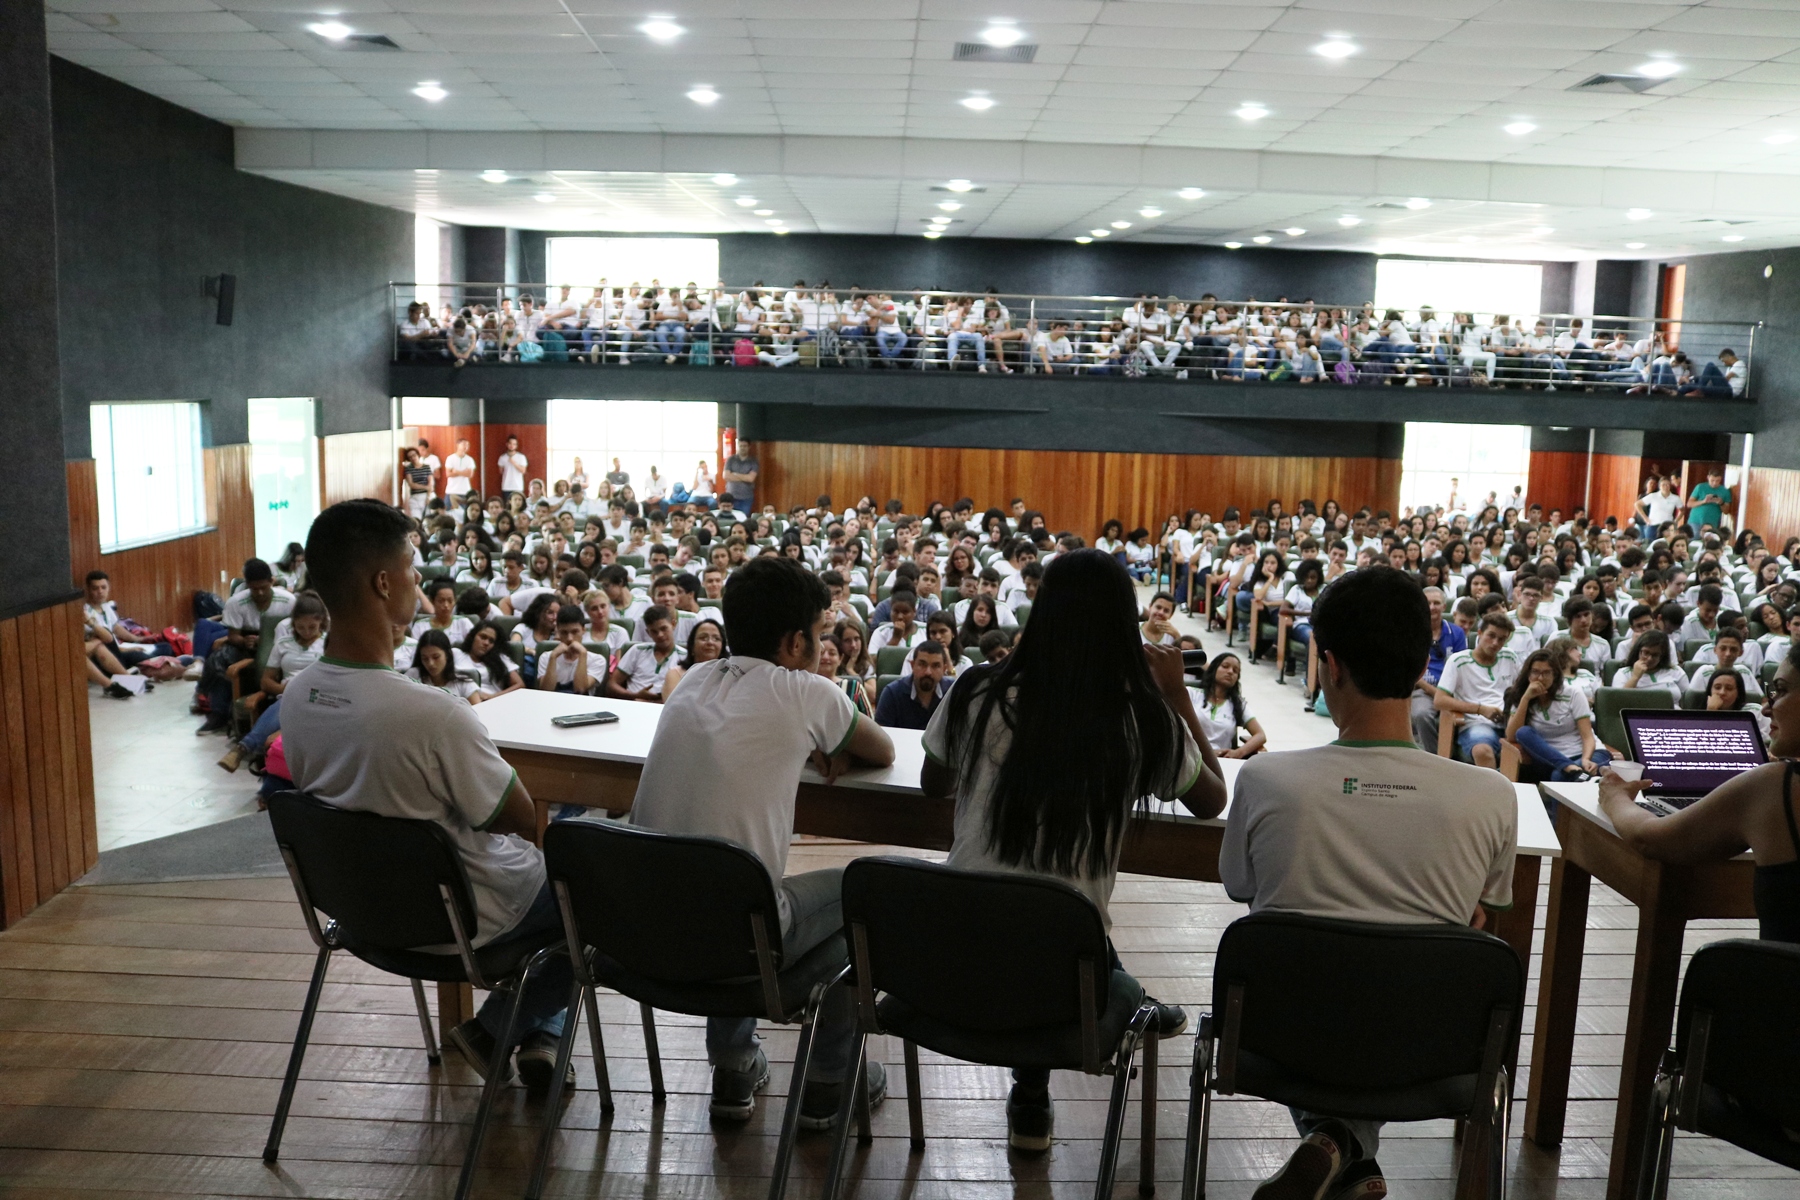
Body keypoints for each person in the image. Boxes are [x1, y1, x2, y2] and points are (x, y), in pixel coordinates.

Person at [1221, 566, 1518, 1200]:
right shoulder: (1492, 796)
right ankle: (1347, 1145)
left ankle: (1335, 1138)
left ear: (1329, 665)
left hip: (1286, 1035)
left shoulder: (1266, 781)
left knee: (1315, 967)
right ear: (1422, 665)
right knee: (1402, 974)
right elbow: (1480, 917)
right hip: (1427, 1044)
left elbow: (1242, 888)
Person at [920, 548, 1227, 1152]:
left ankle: (1035, 1085)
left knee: (1036, 909)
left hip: (953, 956)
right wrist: (1177, 697)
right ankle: (1121, 1002)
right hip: (1063, 982)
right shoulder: (1141, 717)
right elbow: (1211, 800)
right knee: (1064, 924)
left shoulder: (978, 690)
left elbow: (935, 782)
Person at [278, 499, 575, 1093]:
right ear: (384, 583)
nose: (418, 578)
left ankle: (539, 1035)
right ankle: (497, 1029)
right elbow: (522, 820)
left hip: (361, 910)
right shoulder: (434, 714)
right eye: (412, 567)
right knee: (595, 892)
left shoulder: (297, 696)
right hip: (462, 919)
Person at [629, 555, 897, 1126]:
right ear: (797, 642)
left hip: (641, 931)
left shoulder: (693, 679)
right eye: (820, 634)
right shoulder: (807, 692)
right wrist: (830, 739)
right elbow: (883, 750)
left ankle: (734, 1066)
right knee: (861, 898)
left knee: (726, 880)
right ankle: (829, 1081)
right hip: (738, 940)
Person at [1598, 642, 1800, 942]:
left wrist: (1615, 796)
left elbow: (1649, 838)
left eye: (1780, 691)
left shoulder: (1775, 786)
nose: (1767, 707)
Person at [197, 559, 295, 734]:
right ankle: (218, 712)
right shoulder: (236, 602)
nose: (260, 593)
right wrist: (244, 641)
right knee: (218, 659)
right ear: (247, 585)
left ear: (271, 581)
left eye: (264, 587)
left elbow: (296, 630)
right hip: (247, 647)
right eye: (254, 589)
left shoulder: (288, 601)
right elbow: (233, 636)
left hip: (280, 646)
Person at [1503, 648, 1609, 781]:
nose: (1540, 678)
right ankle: (1570, 768)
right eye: (1535, 672)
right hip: (1551, 757)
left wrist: (1586, 759)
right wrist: (1526, 698)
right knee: (1523, 732)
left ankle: (1573, 770)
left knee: (1558, 776)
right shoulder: (1521, 695)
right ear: (1528, 674)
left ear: (1555, 675)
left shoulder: (1572, 693)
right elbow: (1512, 735)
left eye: (1546, 673)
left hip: (1585, 753)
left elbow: (1588, 736)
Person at [1433, 610, 1519, 769]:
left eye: (1501, 639)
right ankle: (1494, 786)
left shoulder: (1510, 657)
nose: (1495, 643)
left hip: (1510, 723)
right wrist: (1480, 709)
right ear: (1479, 633)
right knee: (1482, 751)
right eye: (1491, 636)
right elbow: (1439, 700)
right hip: (1477, 723)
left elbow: (1519, 691)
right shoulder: (1458, 661)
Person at [1410, 585, 1468, 752]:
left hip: (1452, 690)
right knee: (1421, 714)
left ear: (1444, 606)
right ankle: (1433, 758)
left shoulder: (1456, 633)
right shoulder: (1412, 632)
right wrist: (1434, 691)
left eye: (1436, 603)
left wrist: (1445, 694)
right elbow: (1411, 672)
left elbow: (1463, 667)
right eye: (1428, 603)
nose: (1432, 607)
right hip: (1421, 689)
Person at [1195, 653, 1267, 757]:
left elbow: (1260, 735)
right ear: (1214, 669)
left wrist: (1238, 752)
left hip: (1221, 759)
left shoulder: (1238, 704)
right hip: (1192, 755)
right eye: (1225, 666)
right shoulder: (1192, 694)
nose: (1230, 672)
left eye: (1235, 671)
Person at [874, 640, 951, 729]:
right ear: (912, 665)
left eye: (935, 666)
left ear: (944, 669)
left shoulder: (953, 692)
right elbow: (880, 733)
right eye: (922, 665)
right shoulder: (892, 693)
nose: (928, 672)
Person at [536, 606, 603, 695]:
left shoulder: (597, 660)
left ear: (583, 630)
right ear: (558, 631)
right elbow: (545, 692)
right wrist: (553, 657)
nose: (569, 638)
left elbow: (580, 690)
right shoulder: (546, 657)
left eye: (575, 632)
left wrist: (583, 654)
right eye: (564, 632)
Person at [1610, 629, 1686, 701]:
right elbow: (1618, 701)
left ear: (1662, 656)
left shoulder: (1676, 671)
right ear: (1638, 651)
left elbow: (1687, 700)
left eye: (1655, 655)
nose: (1649, 659)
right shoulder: (1624, 673)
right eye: (1646, 653)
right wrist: (1635, 677)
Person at [662, 616, 725, 699]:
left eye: (716, 639)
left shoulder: (729, 675)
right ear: (692, 645)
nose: (710, 642)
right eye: (703, 638)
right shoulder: (676, 674)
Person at [1686, 467, 1732, 534]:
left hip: (1712, 523)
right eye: (1712, 480)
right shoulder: (1700, 487)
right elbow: (1689, 504)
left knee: (1710, 539)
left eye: (1717, 481)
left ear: (1721, 479)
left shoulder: (1725, 491)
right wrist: (1703, 501)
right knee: (1694, 538)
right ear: (1708, 477)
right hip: (1695, 521)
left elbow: (1726, 511)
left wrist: (1721, 503)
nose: (1714, 483)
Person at [723, 444, 759, 510]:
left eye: (745, 446)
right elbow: (726, 476)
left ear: (749, 447)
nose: (742, 448)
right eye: (740, 446)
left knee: (743, 516)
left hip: (746, 497)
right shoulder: (731, 459)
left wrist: (735, 474)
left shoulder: (753, 461)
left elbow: (751, 479)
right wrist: (745, 477)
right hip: (731, 496)